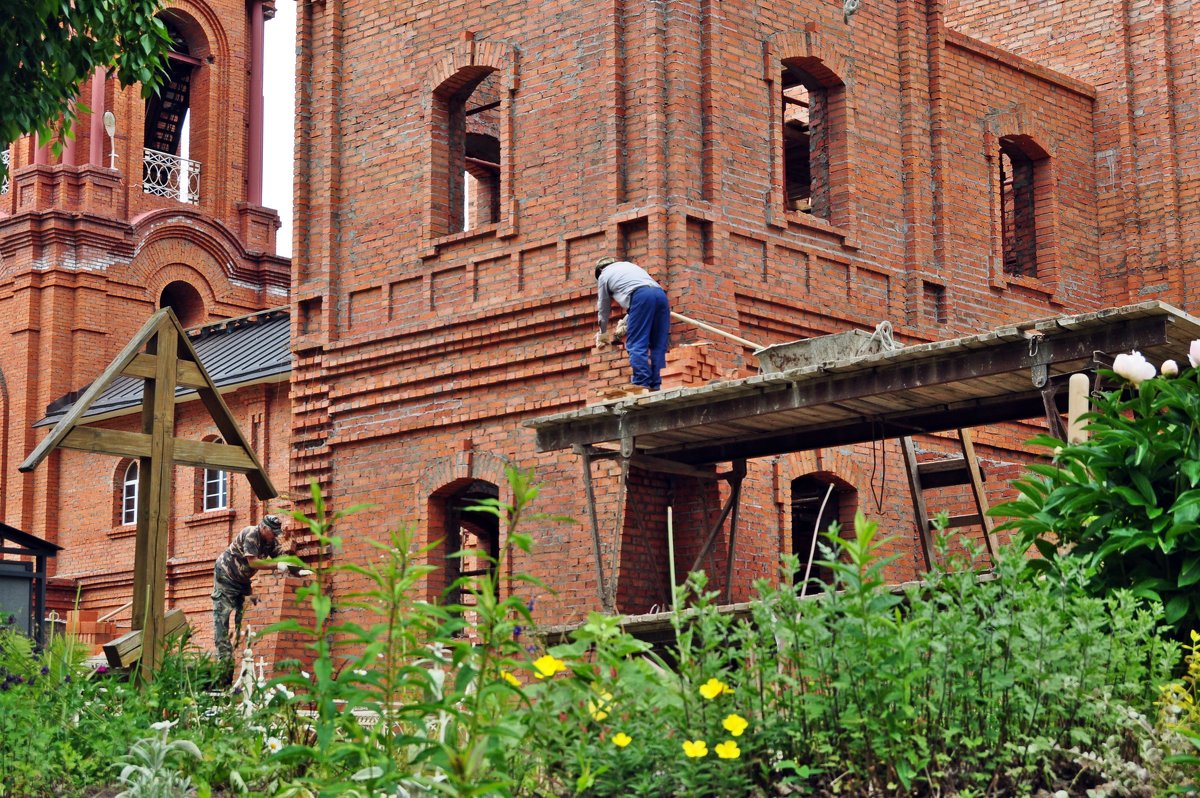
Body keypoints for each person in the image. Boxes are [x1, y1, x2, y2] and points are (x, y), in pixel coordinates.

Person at [211, 514, 285, 661]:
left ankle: (242, 652)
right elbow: (254, 563)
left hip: (243, 581)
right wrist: (277, 565)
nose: (274, 536)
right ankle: (224, 658)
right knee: (222, 615)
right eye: (273, 533)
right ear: (264, 527)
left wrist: (293, 562)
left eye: (277, 533)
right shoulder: (252, 533)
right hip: (226, 576)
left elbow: (281, 555)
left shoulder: (270, 540)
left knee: (245, 614)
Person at [595, 256, 671, 391]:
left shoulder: (604, 276)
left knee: (636, 343)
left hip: (640, 296)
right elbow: (641, 299)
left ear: (600, 270)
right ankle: (656, 384)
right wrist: (626, 320)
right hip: (660, 295)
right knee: (658, 345)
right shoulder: (628, 266)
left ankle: (641, 382)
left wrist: (603, 332)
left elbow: (603, 308)